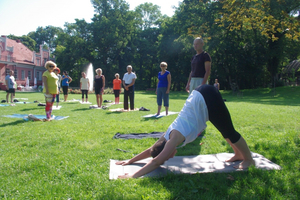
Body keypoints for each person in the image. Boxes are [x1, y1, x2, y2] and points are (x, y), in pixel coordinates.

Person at [116, 84, 255, 179]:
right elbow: (151, 151)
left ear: (167, 149)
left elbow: (156, 161)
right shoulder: (166, 137)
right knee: (225, 131)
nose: (169, 158)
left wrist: (132, 176)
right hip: (201, 99)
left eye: (167, 156)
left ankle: (249, 159)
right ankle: (238, 153)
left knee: (229, 131)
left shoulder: (173, 139)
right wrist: (130, 161)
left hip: (206, 98)